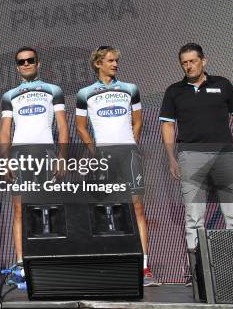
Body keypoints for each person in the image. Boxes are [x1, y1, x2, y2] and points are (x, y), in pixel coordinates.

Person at [75, 46, 159, 287]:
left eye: (116, 61)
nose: (115, 64)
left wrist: (131, 143)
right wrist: (96, 151)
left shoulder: (130, 88)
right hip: (104, 154)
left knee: (137, 208)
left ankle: (144, 268)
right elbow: (81, 127)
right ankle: (113, 264)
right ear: (98, 64)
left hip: (128, 153)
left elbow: (138, 120)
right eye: (110, 61)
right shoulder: (85, 93)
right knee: (109, 209)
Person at [159, 43, 233, 282]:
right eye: (184, 62)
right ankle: (198, 273)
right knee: (194, 217)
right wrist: (172, 158)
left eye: (193, 61)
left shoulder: (222, 84)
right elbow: (167, 125)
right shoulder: (174, 91)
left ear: (204, 61)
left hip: (224, 155)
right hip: (190, 156)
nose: (189, 66)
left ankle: (232, 270)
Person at [0, 47, 68, 272]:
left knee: (47, 208)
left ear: (38, 64)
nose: (26, 64)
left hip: (46, 154)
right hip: (19, 155)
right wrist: (5, 159)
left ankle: (48, 258)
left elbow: (63, 126)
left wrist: (62, 156)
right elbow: (5, 131)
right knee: (19, 210)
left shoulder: (53, 90)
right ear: (17, 66)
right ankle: (21, 262)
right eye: (21, 62)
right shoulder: (9, 95)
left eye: (30, 60)